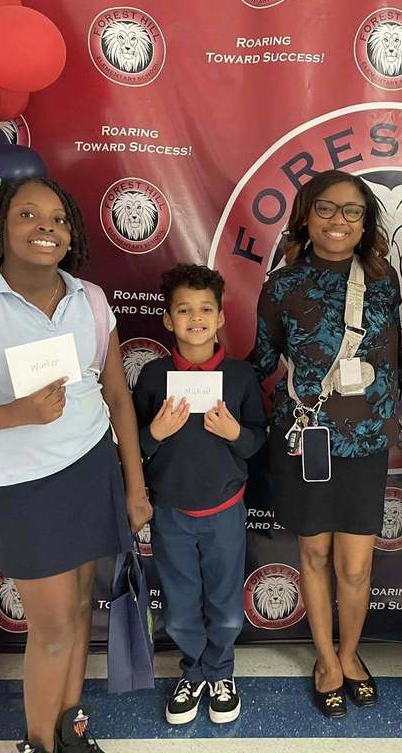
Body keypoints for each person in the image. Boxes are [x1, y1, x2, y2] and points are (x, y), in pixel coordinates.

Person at [0, 177, 151, 753]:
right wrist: (16, 413)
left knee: (81, 607)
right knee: (54, 627)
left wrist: (135, 486)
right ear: (0, 226)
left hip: (93, 467)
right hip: (22, 484)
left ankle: (70, 728)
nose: (47, 227)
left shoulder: (89, 298)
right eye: (28, 215)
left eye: (59, 218)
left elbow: (116, 398)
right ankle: (37, 744)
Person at [252, 169, 402, 718]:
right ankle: (325, 659)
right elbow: (262, 362)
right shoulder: (282, 285)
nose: (339, 220)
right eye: (326, 208)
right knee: (313, 554)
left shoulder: (385, 283)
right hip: (305, 439)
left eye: (352, 211)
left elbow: (397, 363)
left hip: (365, 444)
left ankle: (350, 650)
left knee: (357, 567)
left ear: (365, 223)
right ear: (305, 216)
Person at [132, 264, 266, 726]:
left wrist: (234, 433)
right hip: (170, 512)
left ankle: (221, 673)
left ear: (221, 317)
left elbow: (256, 441)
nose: (195, 318)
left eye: (205, 309)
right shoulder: (152, 376)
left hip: (224, 510)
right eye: (183, 310)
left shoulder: (241, 375)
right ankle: (192, 672)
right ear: (168, 320)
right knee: (180, 602)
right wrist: (155, 432)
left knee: (226, 604)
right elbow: (133, 447)